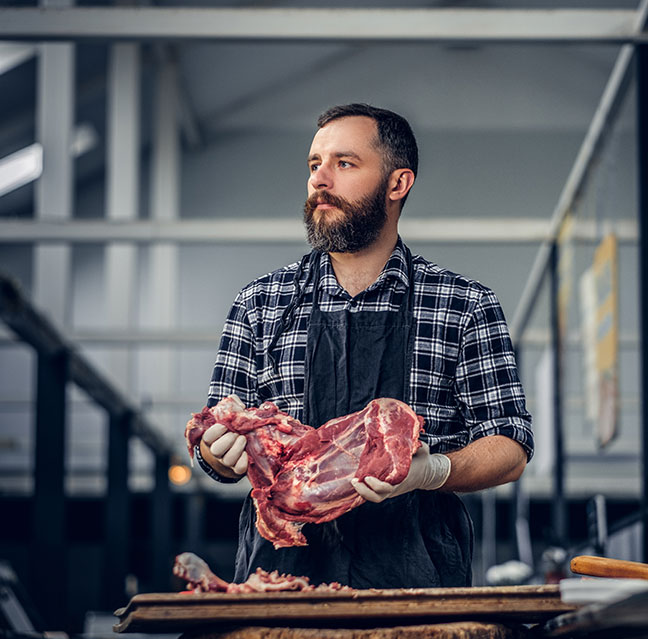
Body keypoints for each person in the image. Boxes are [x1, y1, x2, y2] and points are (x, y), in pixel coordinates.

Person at [193, 103, 534, 589]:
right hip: (281, 572)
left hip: (416, 574)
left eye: (343, 164)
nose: (319, 180)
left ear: (398, 184)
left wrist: (433, 471)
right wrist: (215, 454)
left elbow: (511, 444)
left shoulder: (464, 305)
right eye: (315, 165)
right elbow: (217, 433)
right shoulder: (261, 303)